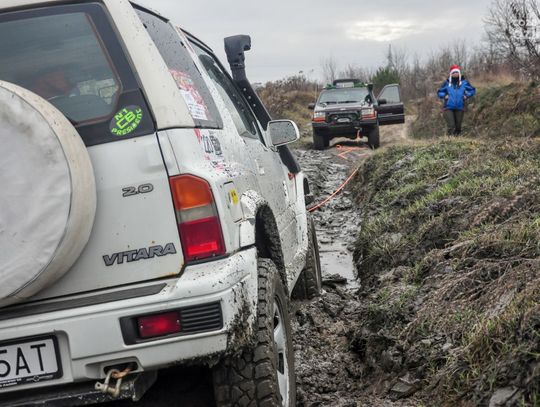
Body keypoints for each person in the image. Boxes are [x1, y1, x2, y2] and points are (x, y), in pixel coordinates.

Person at [437, 65, 476, 136]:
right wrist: (444, 96)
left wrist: (467, 95)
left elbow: (472, 90)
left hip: (460, 107)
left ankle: (457, 139)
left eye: (456, 72)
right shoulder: (447, 83)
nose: (455, 73)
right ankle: (449, 140)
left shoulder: (464, 82)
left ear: (459, 73)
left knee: (458, 127)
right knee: (451, 126)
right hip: (448, 107)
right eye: (453, 72)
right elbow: (440, 92)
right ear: (451, 74)